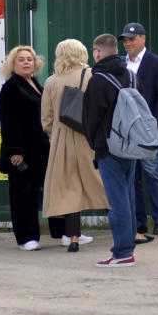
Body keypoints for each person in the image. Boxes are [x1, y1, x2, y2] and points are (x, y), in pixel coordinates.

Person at [40, 38, 110, 252]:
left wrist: (56, 136)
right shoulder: (93, 77)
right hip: (89, 139)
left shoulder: (52, 81)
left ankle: (73, 238)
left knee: (69, 190)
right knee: (103, 185)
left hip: (62, 141)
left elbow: (46, 119)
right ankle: (124, 230)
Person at [82, 33, 140, 267]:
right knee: (129, 198)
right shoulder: (132, 76)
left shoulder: (97, 80)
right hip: (132, 146)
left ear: (97, 53)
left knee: (117, 202)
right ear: (116, 50)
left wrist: (94, 144)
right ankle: (129, 247)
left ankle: (123, 253)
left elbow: (90, 119)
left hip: (109, 148)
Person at [119, 22, 158, 237]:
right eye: (125, 40)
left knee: (153, 173)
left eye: (132, 39)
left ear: (143, 39)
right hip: (125, 131)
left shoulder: (157, 63)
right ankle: (139, 222)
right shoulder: (120, 65)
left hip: (148, 130)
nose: (128, 43)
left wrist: (151, 121)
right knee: (132, 178)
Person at [0, 45, 50, 251]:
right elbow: (9, 122)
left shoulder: (35, 83)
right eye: (21, 59)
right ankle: (26, 238)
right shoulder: (11, 88)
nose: (27, 62)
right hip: (23, 153)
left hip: (40, 150)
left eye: (29, 58)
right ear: (13, 64)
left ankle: (61, 233)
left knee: (40, 191)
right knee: (23, 194)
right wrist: (15, 151)